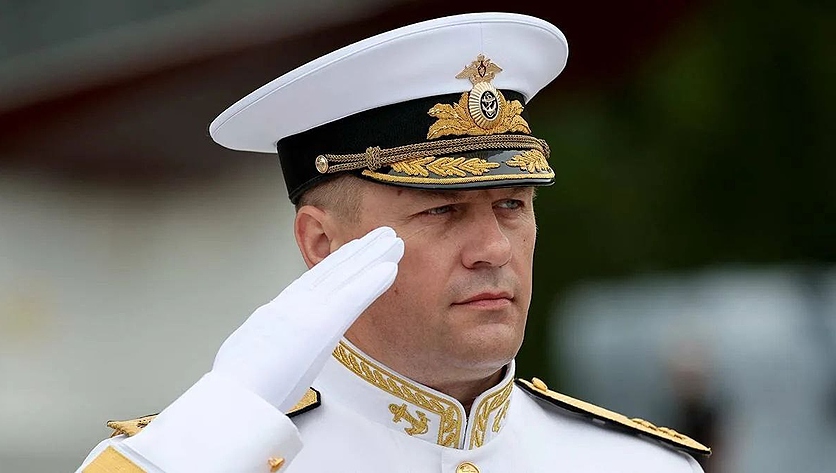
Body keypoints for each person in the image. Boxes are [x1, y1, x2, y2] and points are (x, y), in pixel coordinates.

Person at [75, 12, 710, 473]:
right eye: (442, 209)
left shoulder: (638, 465)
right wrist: (215, 427)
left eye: (512, 204)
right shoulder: (210, 459)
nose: (493, 248)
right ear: (322, 243)